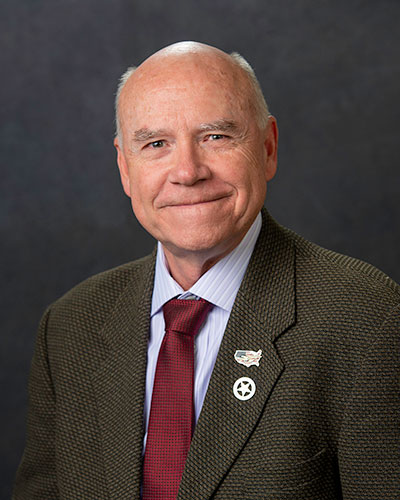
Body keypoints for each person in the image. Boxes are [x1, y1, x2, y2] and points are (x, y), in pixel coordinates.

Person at [14, 42, 399, 500]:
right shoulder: (70, 327)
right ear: (124, 167)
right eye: (156, 144)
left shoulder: (368, 318)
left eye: (215, 136)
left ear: (268, 147)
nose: (187, 172)